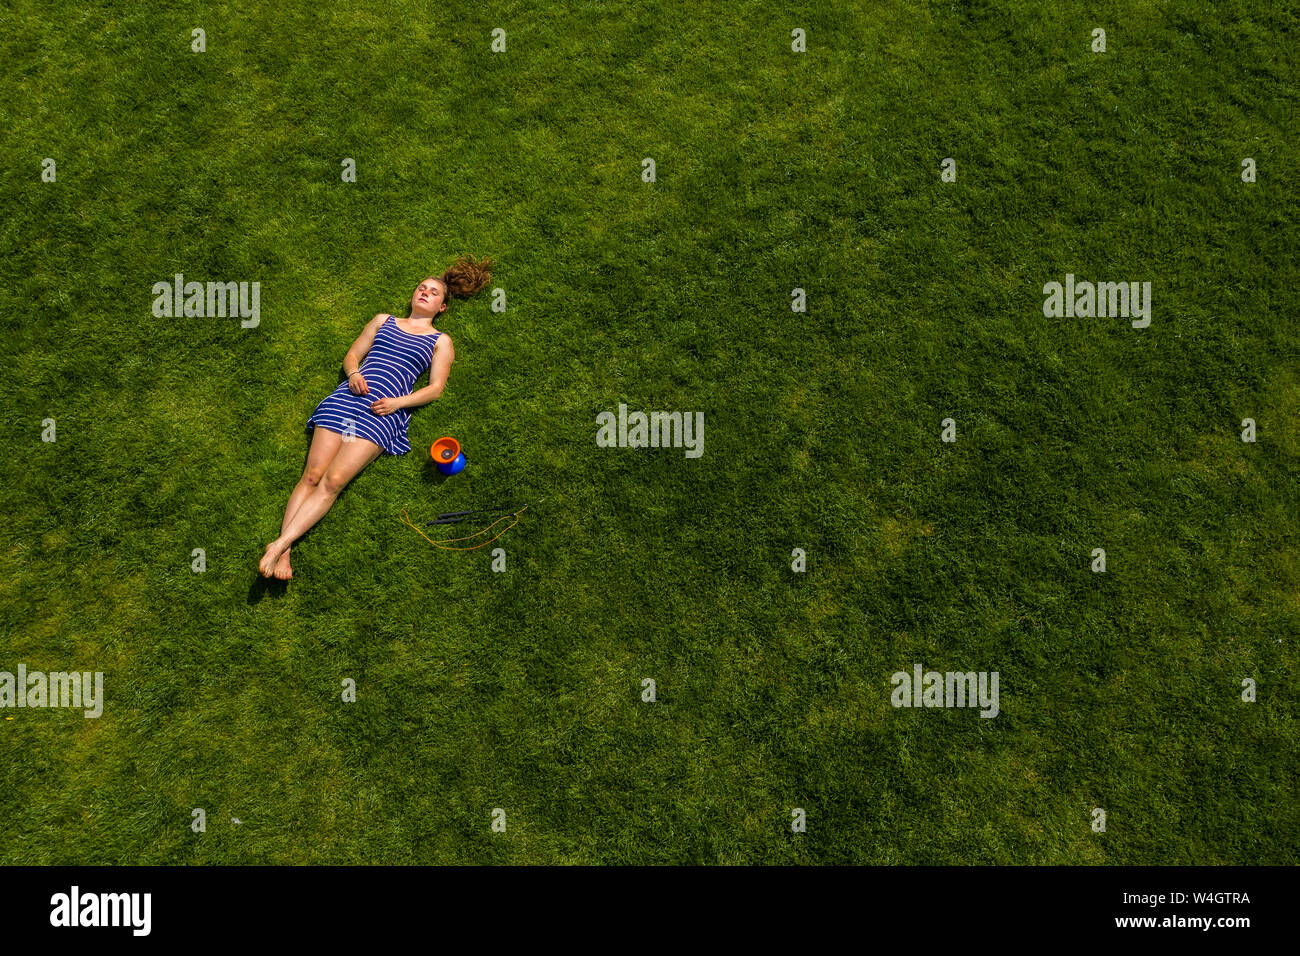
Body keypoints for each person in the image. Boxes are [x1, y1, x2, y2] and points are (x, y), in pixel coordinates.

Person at [258, 255, 493, 579]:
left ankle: (278, 545)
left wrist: (398, 403)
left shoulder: (440, 341)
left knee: (334, 481)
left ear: (442, 307)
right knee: (312, 476)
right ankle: (283, 554)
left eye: (433, 292)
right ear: (413, 295)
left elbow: (436, 388)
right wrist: (353, 372)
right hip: (347, 400)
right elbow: (353, 355)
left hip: (382, 413)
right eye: (421, 288)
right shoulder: (383, 320)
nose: (424, 292)